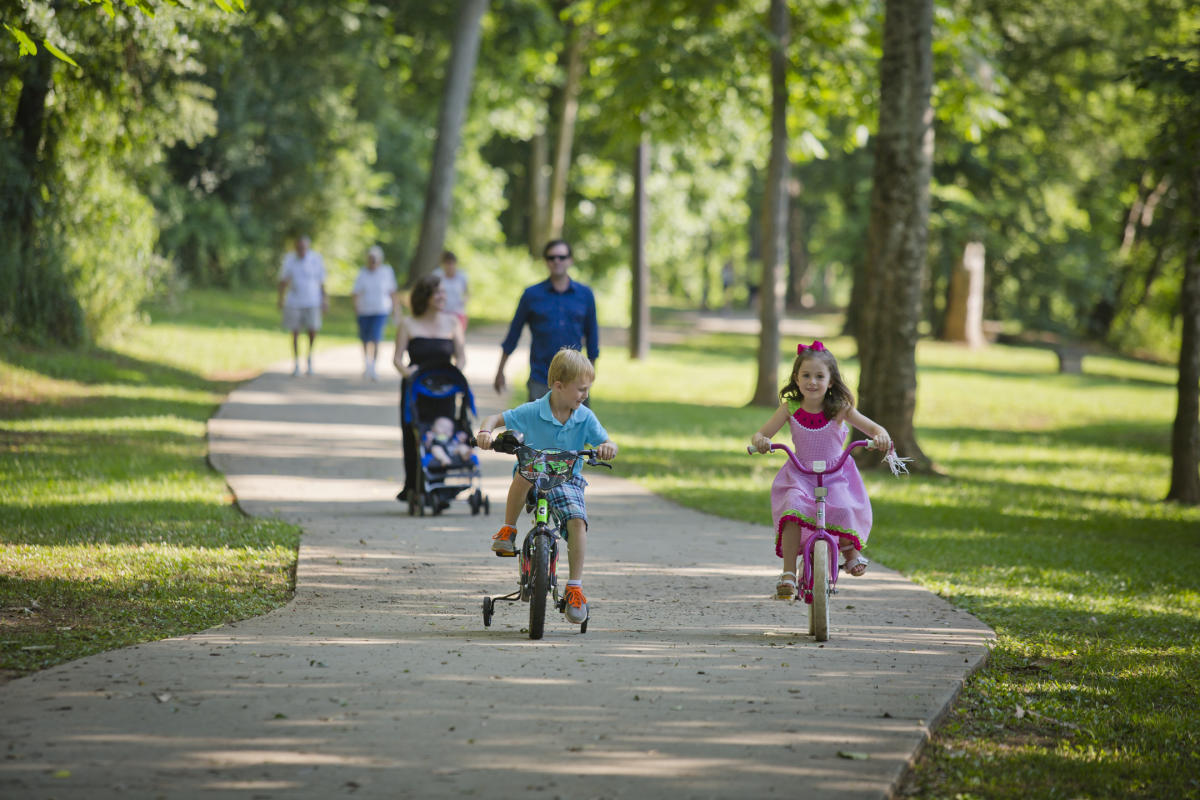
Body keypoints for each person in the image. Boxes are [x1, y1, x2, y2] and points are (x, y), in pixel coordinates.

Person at [475, 348, 617, 625]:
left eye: (587, 390)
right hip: (534, 472)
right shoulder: (532, 411)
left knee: (577, 520)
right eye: (581, 389)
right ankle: (509, 529)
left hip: (567, 478)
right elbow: (494, 419)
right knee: (526, 470)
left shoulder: (584, 417)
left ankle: (574, 587)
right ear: (558, 386)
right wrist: (484, 432)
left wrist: (607, 448)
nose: (585, 395)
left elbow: (607, 441)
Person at [749, 340, 891, 600]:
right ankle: (789, 573)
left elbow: (873, 428)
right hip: (800, 474)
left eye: (819, 376)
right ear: (796, 378)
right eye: (806, 375)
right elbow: (763, 433)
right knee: (791, 508)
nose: (812, 382)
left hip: (836, 474)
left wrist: (881, 436)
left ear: (831, 381)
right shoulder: (790, 408)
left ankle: (848, 550)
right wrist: (761, 441)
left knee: (845, 507)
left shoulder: (839, 409)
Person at [494, 240, 599, 402]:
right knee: (540, 427)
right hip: (541, 378)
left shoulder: (585, 295)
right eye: (552, 257)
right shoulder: (531, 295)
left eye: (562, 257)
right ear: (546, 261)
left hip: (575, 379)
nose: (557, 261)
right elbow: (513, 334)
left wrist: (589, 376)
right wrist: (500, 370)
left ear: (570, 260)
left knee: (577, 427)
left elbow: (592, 336)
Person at [393, 274, 465, 502]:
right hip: (416, 390)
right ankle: (414, 485)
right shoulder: (408, 323)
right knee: (414, 434)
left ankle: (437, 486)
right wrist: (409, 373)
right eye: (438, 293)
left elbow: (461, 358)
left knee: (443, 433)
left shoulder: (453, 323)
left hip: (444, 389)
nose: (443, 296)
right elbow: (397, 359)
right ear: (425, 296)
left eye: (444, 292)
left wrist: (455, 376)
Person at [278, 235, 327, 376]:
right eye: (299, 248)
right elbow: (283, 280)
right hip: (294, 302)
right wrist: (280, 298)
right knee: (295, 331)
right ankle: (296, 362)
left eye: (304, 247)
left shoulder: (316, 259)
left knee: (312, 330)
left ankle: (309, 357)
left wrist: (325, 300)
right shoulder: (289, 260)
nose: (301, 250)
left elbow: (322, 281)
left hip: (312, 301)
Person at [352, 245, 399, 381]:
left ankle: (373, 366)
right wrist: (356, 307)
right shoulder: (362, 273)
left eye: (375, 259)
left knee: (376, 337)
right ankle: (367, 363)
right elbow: (356, 292)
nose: (372, 262)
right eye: (370, 259)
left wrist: (396, 311)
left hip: (380, 310)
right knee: (365, 339)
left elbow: (392, 292)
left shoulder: (386, 272)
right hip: (364, 310)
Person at [432, 250, 469, 332]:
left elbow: (467, 292)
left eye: (452, 263)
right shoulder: (437, 275)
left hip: (458, 312)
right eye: (447, 263)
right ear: (443, 264)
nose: (450, 266)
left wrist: (465, 300)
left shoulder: (462, 276)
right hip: (442, 312)